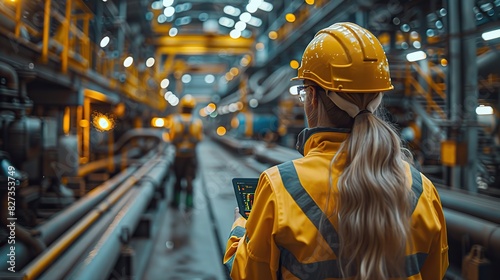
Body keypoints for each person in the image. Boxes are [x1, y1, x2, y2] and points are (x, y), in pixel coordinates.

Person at [223, 22, 448, 279]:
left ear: (312, 96)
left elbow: (248, 273)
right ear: (378, 97)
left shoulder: (279, 187)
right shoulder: (423, 190)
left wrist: (241, 228)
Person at [169, 94, 203, 209]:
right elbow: (199, 139)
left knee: (177, 180)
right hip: (191, 156)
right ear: (193, 108)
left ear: (182, 107)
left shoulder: (174, 120)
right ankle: (189, 204)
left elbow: (171, 139)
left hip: (178, 156)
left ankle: (176, 203)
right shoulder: (197, 122)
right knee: (189, 180)